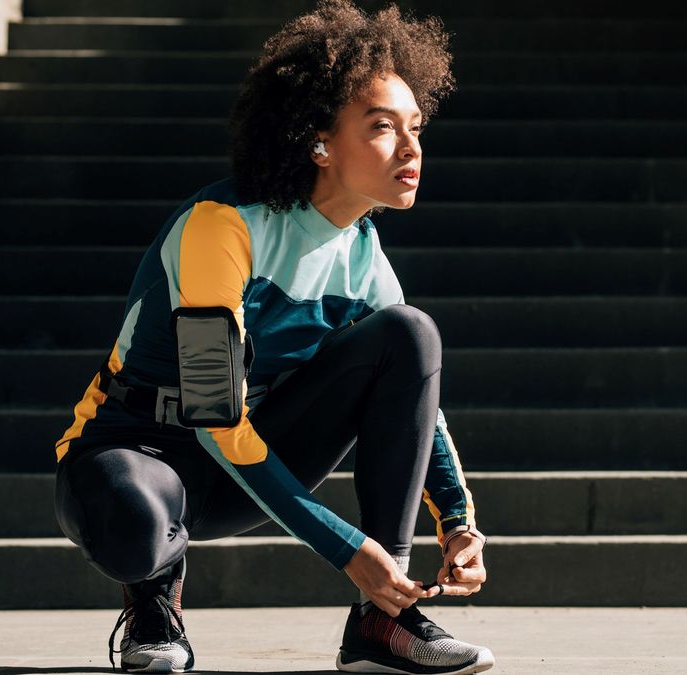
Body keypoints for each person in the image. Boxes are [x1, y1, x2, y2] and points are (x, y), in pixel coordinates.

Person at [52, 1, 493, 673]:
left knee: (409, 333)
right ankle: (154, 599)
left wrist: (458, 520)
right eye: (382, 128)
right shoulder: (221, 226)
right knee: (136, 531)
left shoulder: (364, 255)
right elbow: (213, 411)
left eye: (416, 127)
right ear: (320, 142)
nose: (411, 149)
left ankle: (385, 617)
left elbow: (420, 401)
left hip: (238, 465)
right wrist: (344, 547)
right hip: (134, 445)